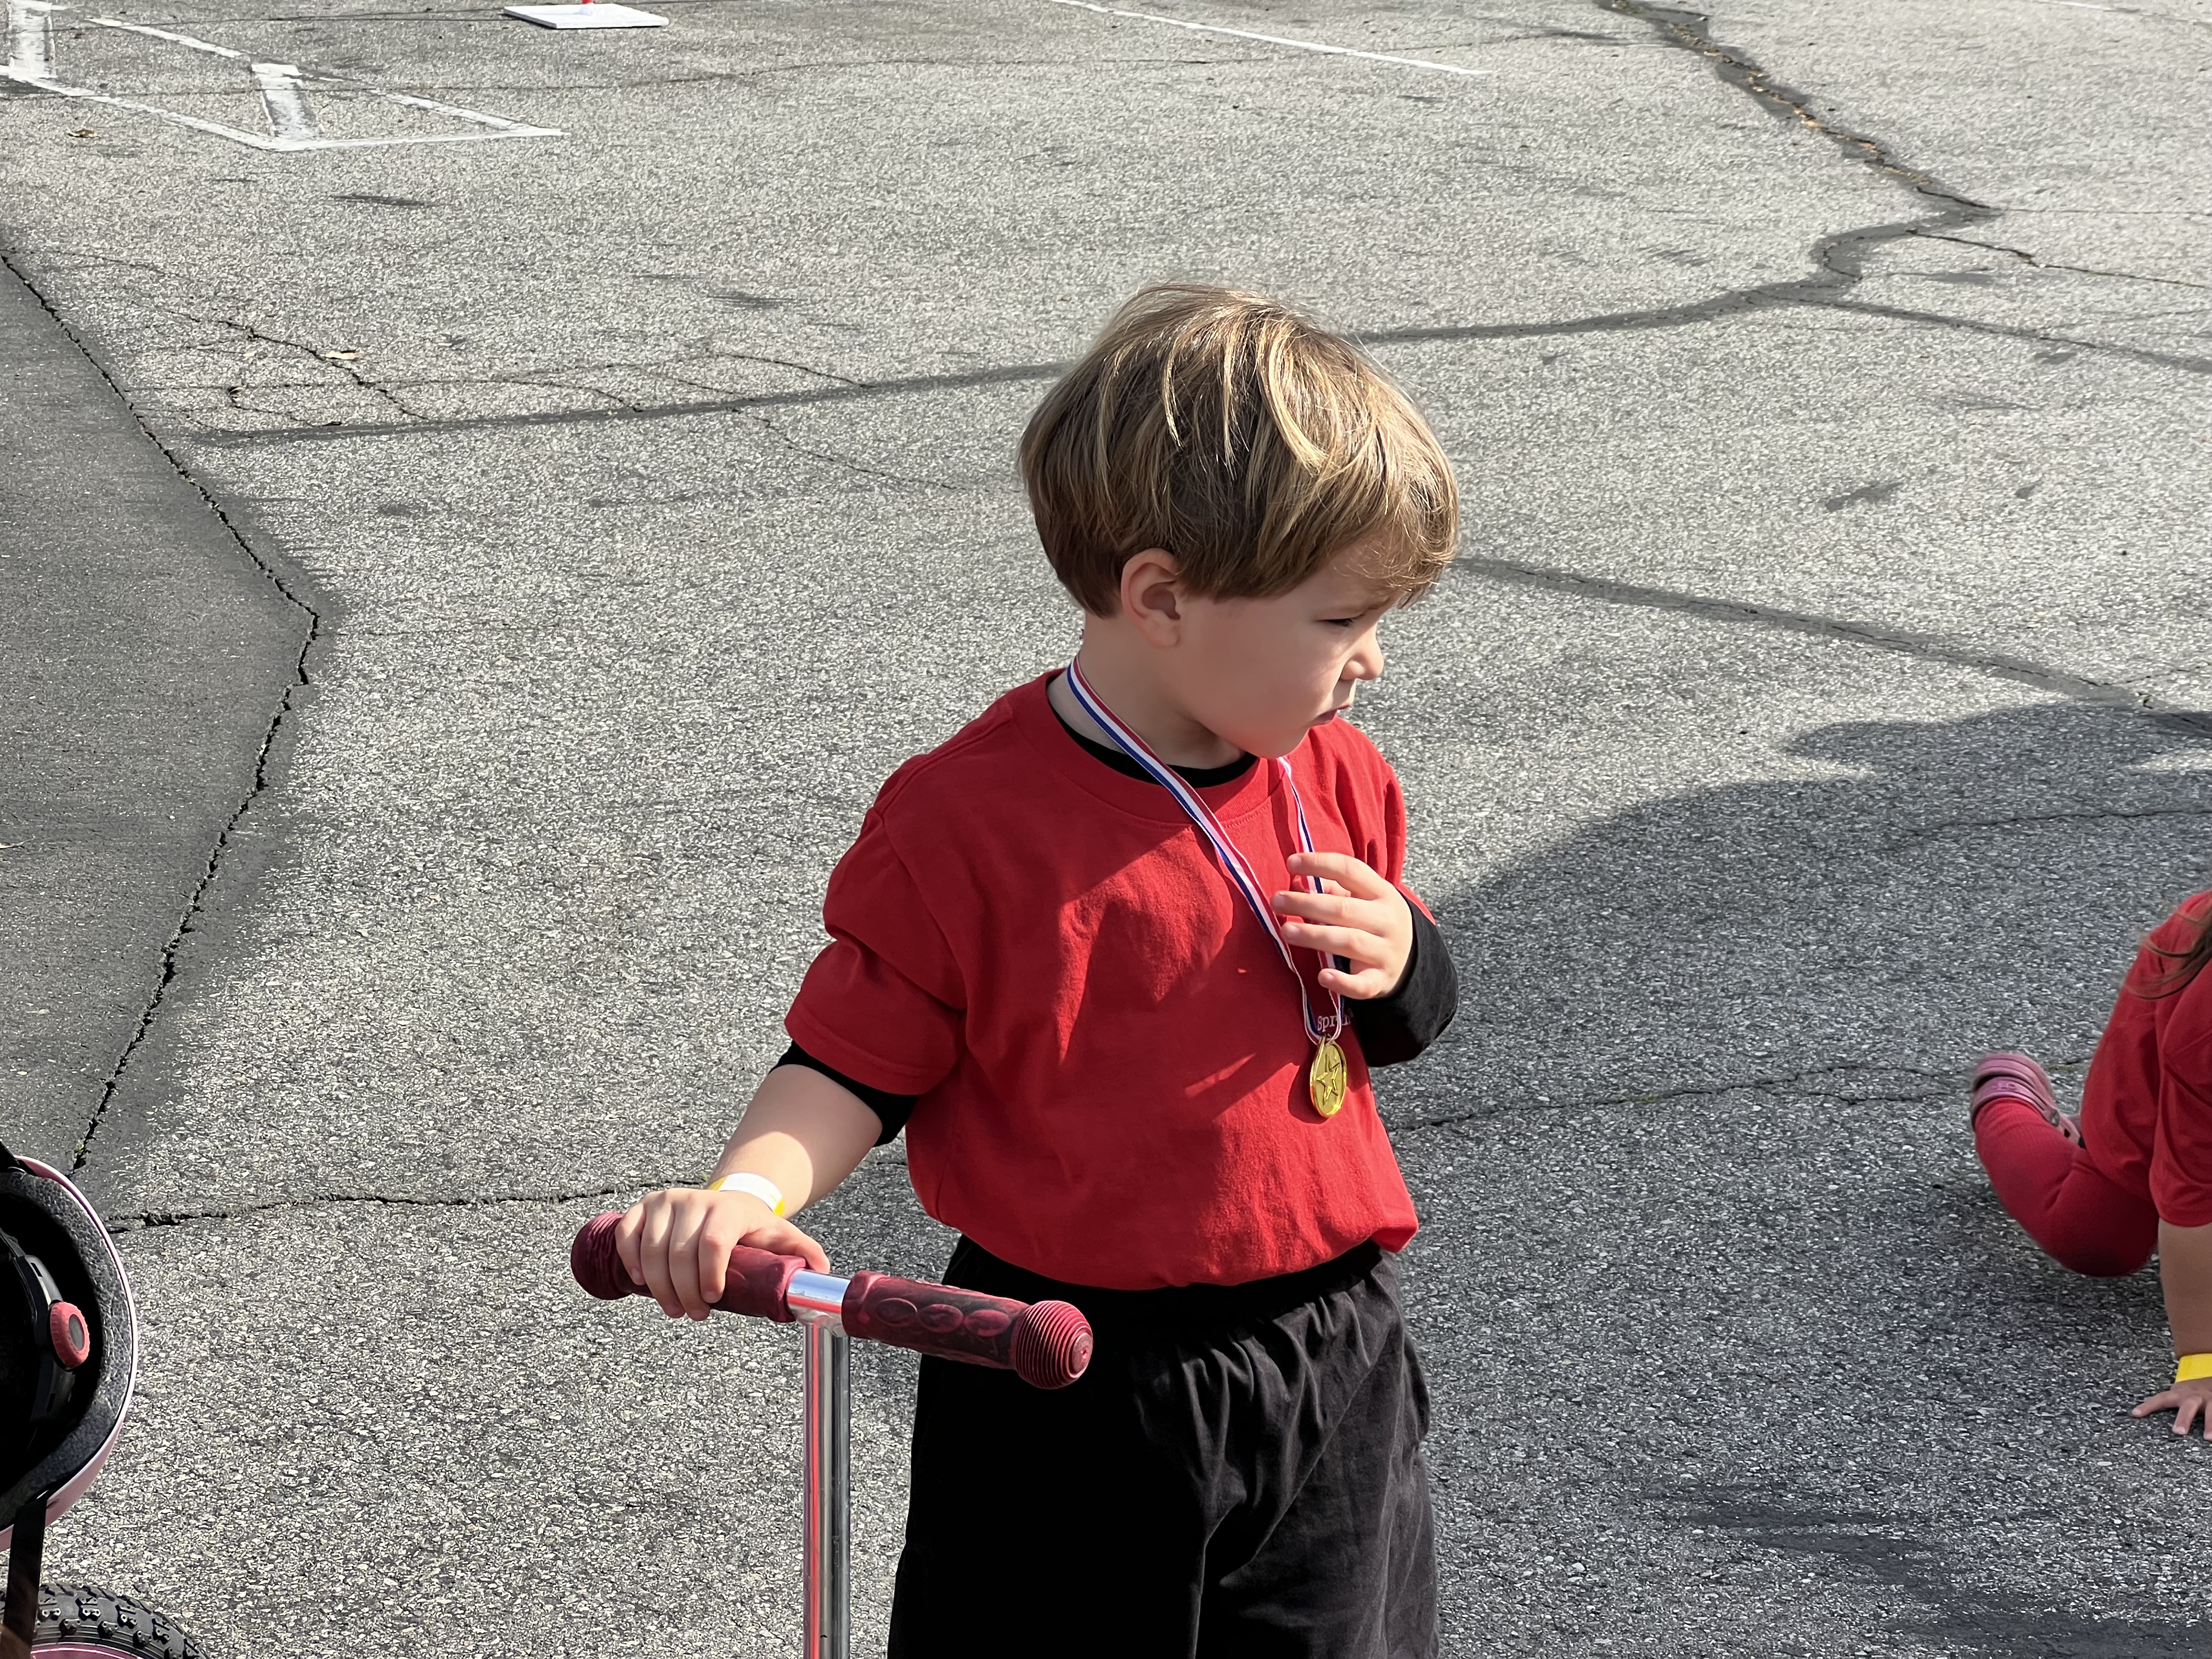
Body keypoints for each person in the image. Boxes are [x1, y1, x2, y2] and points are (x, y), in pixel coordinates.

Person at [616, 284, 1460, 1655]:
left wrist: (1407, 959)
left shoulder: (1338, 772)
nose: (1369, 662)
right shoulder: (968, 822)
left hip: (1329, 1353)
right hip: (1063, 1373)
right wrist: (739, 1197)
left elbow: (1385, 1023)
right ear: (1161, 596)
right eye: (1338, 621)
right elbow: (850, 1061)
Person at [1970, 889, 2212, 1436]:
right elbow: (2191, 1192)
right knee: (2096, 1240)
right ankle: (2009, 1100)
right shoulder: (2205, 1034)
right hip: (2164, 1067)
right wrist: (2203, 1364)